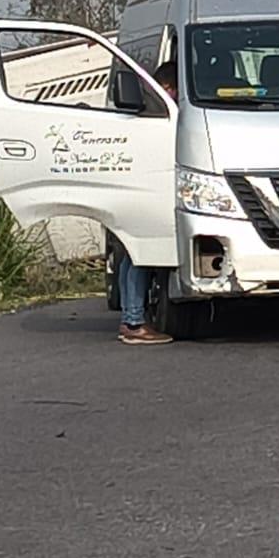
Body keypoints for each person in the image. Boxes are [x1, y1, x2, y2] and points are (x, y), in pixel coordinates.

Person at [117, 60, 179, 345]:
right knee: (142, 252)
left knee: (132, 254)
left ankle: (131, 317)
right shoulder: (157, 112)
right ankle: (134, 321)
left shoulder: (139, 107)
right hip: (146, 188)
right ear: (168, 87)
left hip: (131, 186)